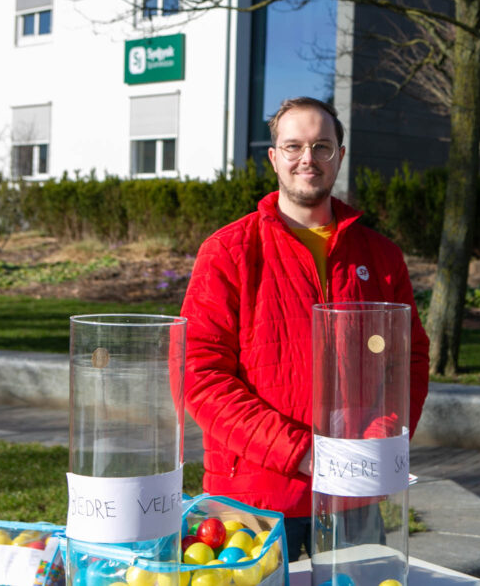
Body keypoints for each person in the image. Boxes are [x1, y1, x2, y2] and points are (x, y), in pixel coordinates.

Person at [179, 96, 430, 561]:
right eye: (293, 146)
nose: (307, 159)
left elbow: (407, 361)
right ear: (273, 157)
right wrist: (302, 454)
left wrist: (381, 437)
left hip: (354, 494)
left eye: (322, 146)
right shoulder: (229, 251)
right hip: (252, 501)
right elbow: (199, 376)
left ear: (340, 155)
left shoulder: (382, 256)